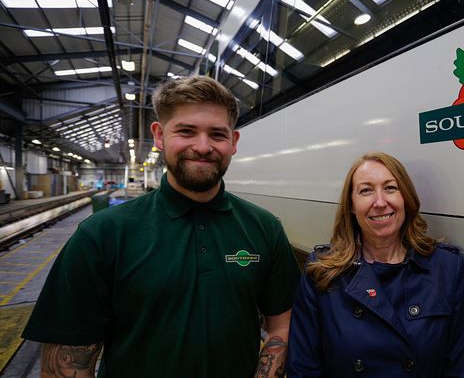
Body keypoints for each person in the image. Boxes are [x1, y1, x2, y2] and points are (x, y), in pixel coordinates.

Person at [22, 76, 300, 378]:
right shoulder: (102, 235)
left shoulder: (264, 228)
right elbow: (65, 359)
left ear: (233, 142)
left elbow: (280, 326)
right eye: (186, 131)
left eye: (217, 134)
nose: (203, 146)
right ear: (159, 135)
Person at [287, 152, 464, 377]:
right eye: (366, 190)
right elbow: (302, 368)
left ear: (405, 197)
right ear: (351, 205)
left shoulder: (446, 268)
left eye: (390, 188)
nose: (380, 202)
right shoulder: (322, 271)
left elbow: (462, 367)